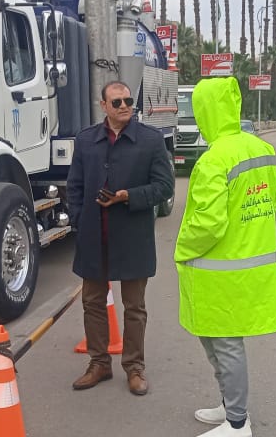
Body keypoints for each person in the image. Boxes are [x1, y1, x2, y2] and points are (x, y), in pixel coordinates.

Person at [175, 77, 276, 437]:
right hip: (250, 264)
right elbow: (271, 202)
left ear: (206, 111)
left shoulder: (213, 159)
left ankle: (237, 423)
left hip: (219, 271)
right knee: (219, 342)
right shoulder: (261, 149)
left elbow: (208, 223)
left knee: (225, 346)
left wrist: (182, 249)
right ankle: (229, 406)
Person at [66, 81, 174, 396]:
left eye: (128, 100)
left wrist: (129, 196)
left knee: (134, 307)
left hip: (133, 238)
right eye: (117, 102)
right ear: (104, 106)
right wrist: (79, 220)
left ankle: (134, 368)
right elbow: (74, 186)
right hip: (94, 238)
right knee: (92, 303)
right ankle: (99, 363)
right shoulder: (86, 140)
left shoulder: (150, 140)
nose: (124, 106)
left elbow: (165, 186)